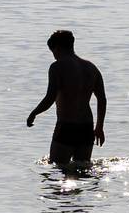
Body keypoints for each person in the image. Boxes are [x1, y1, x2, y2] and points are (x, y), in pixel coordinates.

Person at [25, 30, 106, 167]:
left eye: (53, 52)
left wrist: (34, 113)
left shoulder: (57, 67)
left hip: (66, 126)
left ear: (57, 48)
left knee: (56, 170)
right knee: (83, 171)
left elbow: (50, 97)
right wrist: (99, 127)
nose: (54, 56)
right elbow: (102, 99)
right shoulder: (91, 68)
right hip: (86, 127)